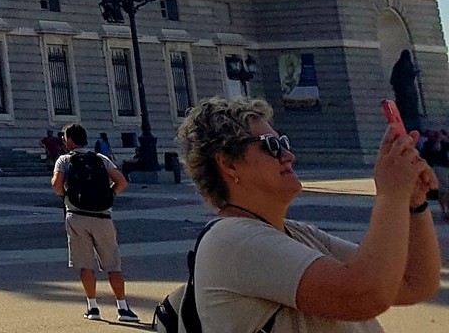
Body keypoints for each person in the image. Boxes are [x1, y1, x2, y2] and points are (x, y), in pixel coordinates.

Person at [178, 97, 440, 333]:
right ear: (228, 163)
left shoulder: (296, 233)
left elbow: (413, 282)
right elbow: (365, 295)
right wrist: (391, 193)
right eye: (271, 146)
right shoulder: (232, 240)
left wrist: (413, 202)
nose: (288, 155)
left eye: (283, 143)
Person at [52, 124, 135, 322]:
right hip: (103, 216)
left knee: (85, 265)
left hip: (76, 216)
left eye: (64, 138)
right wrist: (110, 195)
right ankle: (123, 308)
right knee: (113, 265)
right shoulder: (101, 159)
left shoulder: (64, 159)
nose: (64, 141)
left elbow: (56, 185)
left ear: (71, 140)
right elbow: (122, 181)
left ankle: (93, 307)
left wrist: (66, 196)